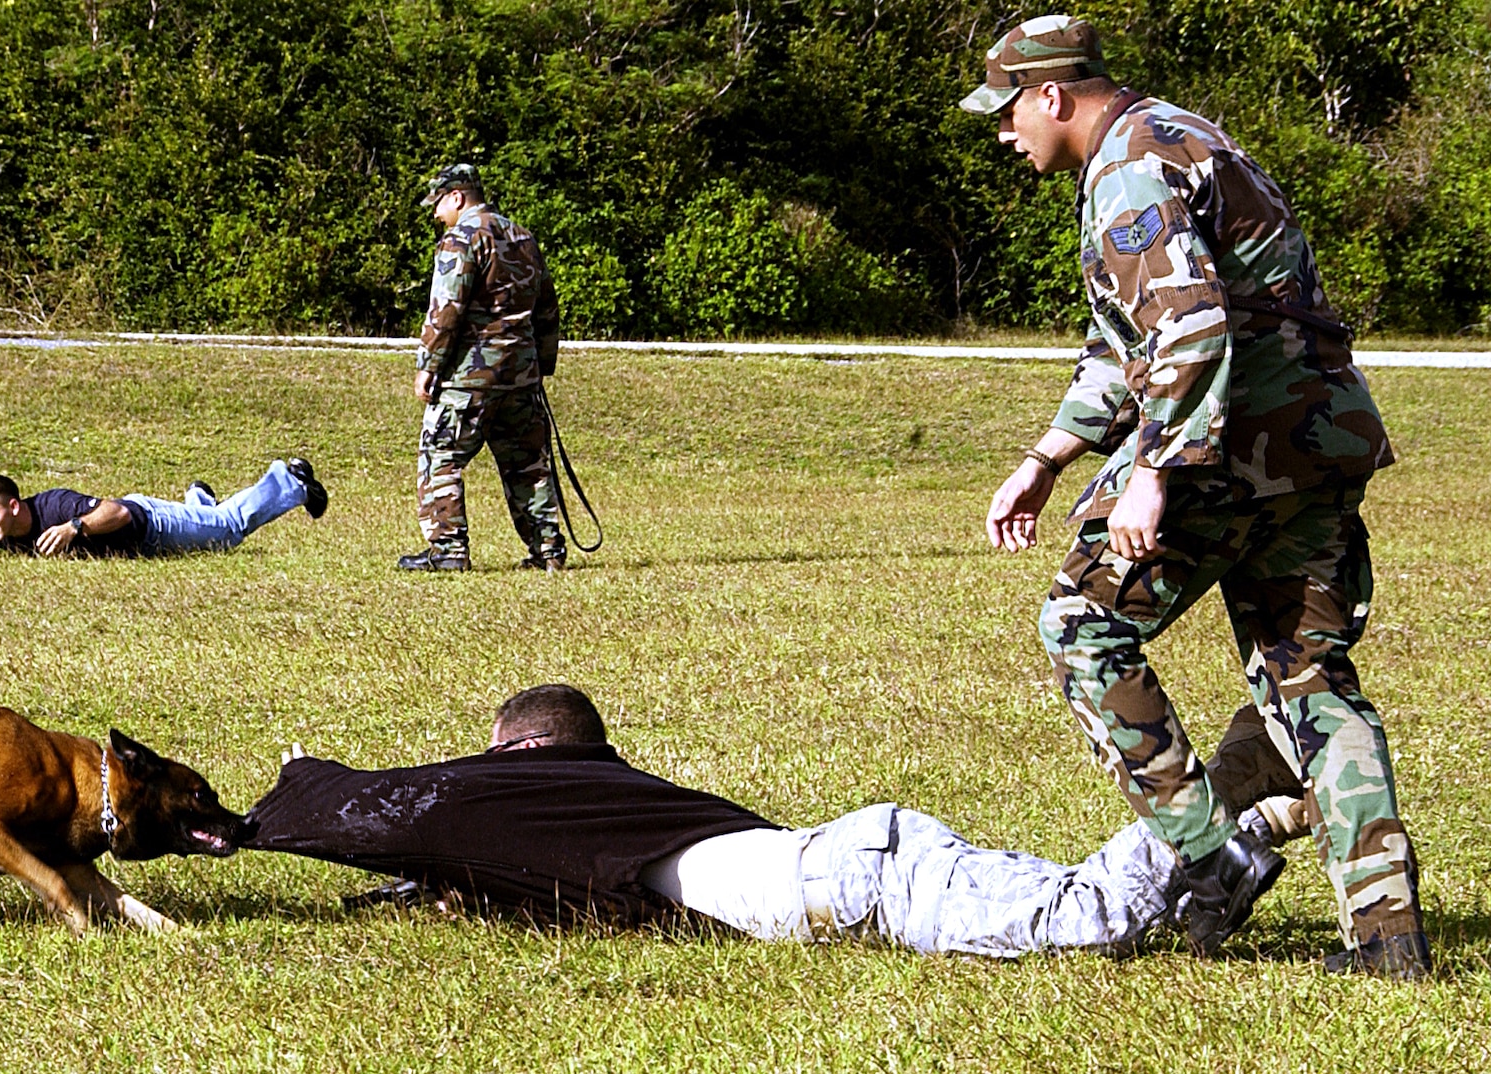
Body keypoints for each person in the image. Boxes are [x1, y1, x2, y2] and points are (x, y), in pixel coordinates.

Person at [963, 15, 1426, 977]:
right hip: (1318, 443)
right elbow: (1121, 346)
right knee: (1311, 684)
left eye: (1007, 111)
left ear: (1051, 95)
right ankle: (1388, 941)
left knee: (1081, 626)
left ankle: (1216, 861)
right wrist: (1047, 458)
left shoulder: (1129, 170)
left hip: (1231, 451)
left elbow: (1189, 327)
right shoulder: (1176, 135)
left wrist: (1153, 473)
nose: (1004, 132)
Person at [246, 685, 1306, 958]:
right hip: (856, 865)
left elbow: (381, 810)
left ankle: (1214, 784)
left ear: (520, 747)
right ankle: (1245, 833)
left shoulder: (513, 788)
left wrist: (292, 790)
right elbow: (507, 879)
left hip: (861, 878)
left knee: (1085, 918)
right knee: (1149, 933)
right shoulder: (604, 800)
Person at [398, 163, 567, 573]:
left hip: (470, 375)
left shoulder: (461, 239)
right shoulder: (523, 237)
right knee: (527, 462)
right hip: (521, 374)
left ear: (456, 197)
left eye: (438, 204)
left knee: (440, 454)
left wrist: (428, 365)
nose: (436, 214)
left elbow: (446, 311)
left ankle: (449, 550)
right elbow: (547, 307)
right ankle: (547, 551)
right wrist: (542, 363)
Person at [0, 459, 326, 558]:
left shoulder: (54, 505)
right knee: (211, 522)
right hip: (144, 541)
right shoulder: (1, 533)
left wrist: (74, 526)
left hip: (153, 525)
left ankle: (291, 480)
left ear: (13, 506)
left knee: (228, 529)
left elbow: (118, 513)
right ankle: (197, 500)